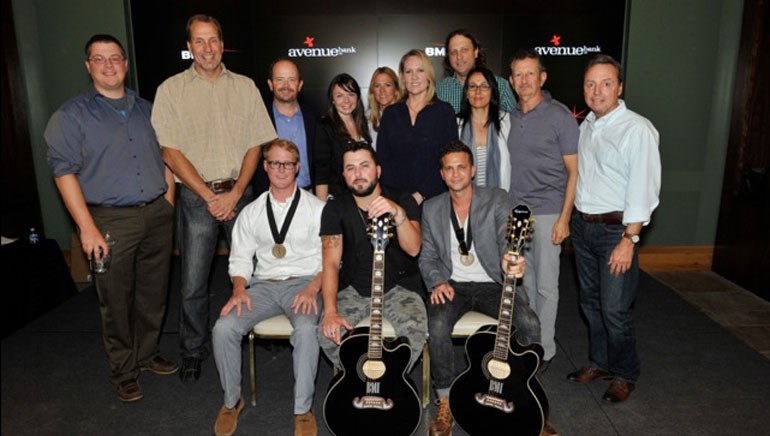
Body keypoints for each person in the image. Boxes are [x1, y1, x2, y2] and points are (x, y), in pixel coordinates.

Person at [44, 34, 178, 402]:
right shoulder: (70, 116)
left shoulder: (147, 109)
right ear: (88, 66)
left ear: (125, 63)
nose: (109, 65)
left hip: (156, 214)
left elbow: (168, 157)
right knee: (115, 299)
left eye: (115, 58)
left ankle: (147, 354)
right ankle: (124, 370)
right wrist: (86, 227)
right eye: (99, 59)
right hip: (108, 220)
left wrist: (168, 202)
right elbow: (63, 173)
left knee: (154, 293)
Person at [151, 14, 277, 383]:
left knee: (255, 274)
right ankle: (192, 351)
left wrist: (236, 192)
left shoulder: (245, 87)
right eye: (199, 41)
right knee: (193, 282)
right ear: (189, 47)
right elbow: (169, 152)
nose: (207, 48)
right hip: (196, 198)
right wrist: (209, 196)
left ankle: (260, 336)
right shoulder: (171, 90)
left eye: (213, 41)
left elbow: (257, 143)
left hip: (242, 194)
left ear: (223, 45)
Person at [420, 141, 559, 436]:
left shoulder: (497, 198)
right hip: (453, 285)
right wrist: (437, 280)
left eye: (461, 167)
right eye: (449, 168)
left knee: (529, 323)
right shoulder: (431, 208)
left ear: (472, 170)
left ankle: (528, 399)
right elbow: (427, 255)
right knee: (438, 322)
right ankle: (445, 402)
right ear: (442, 174)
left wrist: (511, 261)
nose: (455, 174)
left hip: (492, 283)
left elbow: (507, 241)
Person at [211, 139, 324, 436]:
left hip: (304, 284)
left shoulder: (317, 209)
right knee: (223, 328)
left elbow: (330, 260)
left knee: (306, 329)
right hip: (261, 286)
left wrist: (313, 288)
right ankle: (232, 401)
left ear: (297, 167)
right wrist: (238, 289)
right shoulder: (251, 212)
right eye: (275, 163)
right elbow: (239, 259)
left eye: (288, 163)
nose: (281, 169)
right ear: (265, 166)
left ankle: (303, 409)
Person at [568, 54, 661, 404]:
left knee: (614, 309)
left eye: (606, 83)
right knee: (590, 304)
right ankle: (601, 362)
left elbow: (644, 188)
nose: (597, 91)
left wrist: (629, 239)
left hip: (615, 232)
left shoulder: (637, 129)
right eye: (590, 84)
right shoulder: (587, 125)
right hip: (584, 227)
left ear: (619, 87)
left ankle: (625, 373)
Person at [318, 142, 427, 371]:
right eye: (350, 168)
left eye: (364, 166)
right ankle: (358, 378)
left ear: (378, 170)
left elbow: (414, 248)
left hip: (398, 287)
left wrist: (397, 213)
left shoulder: (402, 200)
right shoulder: (335, 208)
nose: (358, 174)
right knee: (326, 334)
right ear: (343, 175)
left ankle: (392, 380)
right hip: (353, 288)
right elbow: (330, 263)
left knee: (414, 333)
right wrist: (330, 312)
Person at [507, 49, 579, 370]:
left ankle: (546, 350)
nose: (524, 80)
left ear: (542, 77)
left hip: (550, 211)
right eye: (518, 75)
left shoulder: (560, 115)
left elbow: (574, 172)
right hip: (517, 215)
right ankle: (531, 340)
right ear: (511, 80)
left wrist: (565, 219)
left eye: (530, 74)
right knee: (525, 284)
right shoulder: (509, 116)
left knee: (547, 286)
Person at [377, 49, 458, 205]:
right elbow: (383, 160)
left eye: (420, 71)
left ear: (429, 76)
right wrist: (401, 199)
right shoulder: (391, 114)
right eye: (409, 72)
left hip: (435, 200)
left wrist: (421, 195)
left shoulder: (444, 112)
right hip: (396, 201)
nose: (414, 77)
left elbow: (449, 160)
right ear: (402, 78)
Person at [251, 58, 319, 197]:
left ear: (300, 85)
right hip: (270, 199)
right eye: (280, 79)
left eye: (292, 79)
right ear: (270, 84)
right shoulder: (257, 118)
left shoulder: (314, 118)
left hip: (309, 197)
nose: (286, 85)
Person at [314, 73, 372, 201]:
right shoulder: (325, 127)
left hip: (364, 198)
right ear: (332, 100)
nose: (346, 101)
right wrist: (322, 211)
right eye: (340, 96)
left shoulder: (362, 124)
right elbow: (321, 172)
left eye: (351, 94)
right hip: (338, 200)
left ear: (357, 97)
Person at [436, 29, 516, 114]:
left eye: (464, 50)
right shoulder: (440, 89)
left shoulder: (500, 86)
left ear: (476, 52)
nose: (459, 56)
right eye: (453, 52)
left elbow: (517, 122)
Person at [457, 66, 512, 190]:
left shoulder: (507, 122)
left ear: (492, 91)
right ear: (466, 93)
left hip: (500, 201)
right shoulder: (456, 126)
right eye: (472, 86)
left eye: (484, 86)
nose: (478, 91)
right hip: (464, 202)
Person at [366, 66, 401, 149]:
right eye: (377, 86)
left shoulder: (408, 116)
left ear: (396, 89)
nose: (382, 91)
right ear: (372, 91)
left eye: (387, 85)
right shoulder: (365, 119)